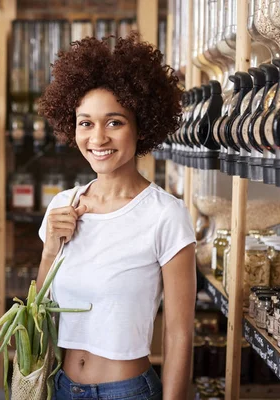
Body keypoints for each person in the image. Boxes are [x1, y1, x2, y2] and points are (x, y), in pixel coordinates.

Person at [37, 33, 196, 400]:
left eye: (114, 122)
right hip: (61, 387)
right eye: (85, 123)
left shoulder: (165, 215)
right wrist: (50, 251)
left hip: (127, 392)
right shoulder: (64, 204)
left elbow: (178, 333)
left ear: (141, 126)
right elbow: (39, 313)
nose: (98, 138)